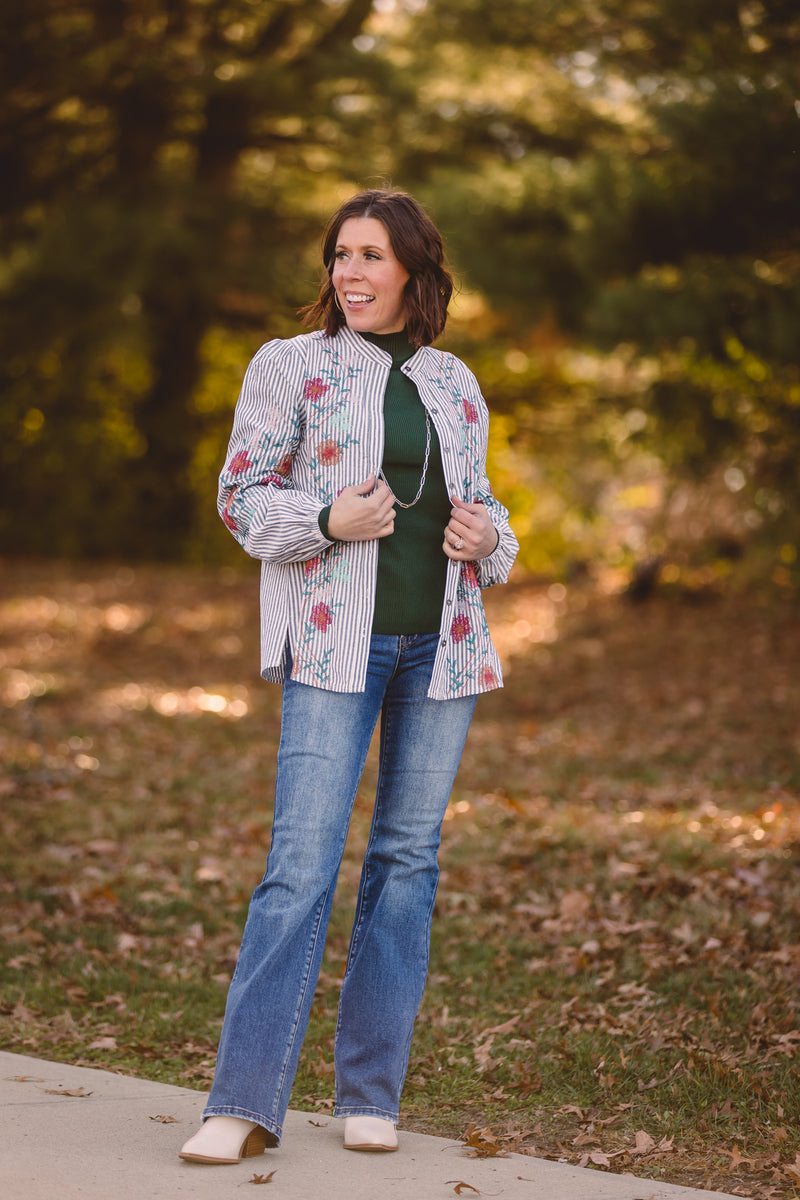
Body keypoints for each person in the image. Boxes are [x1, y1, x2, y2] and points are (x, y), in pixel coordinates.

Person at [179, 188, 518, 1165]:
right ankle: (239, 1104)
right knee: (299, 867)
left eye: (371, 255)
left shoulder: (454, 381)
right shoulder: (292, 366)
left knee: (406, 865)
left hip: (441, 651)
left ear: (413, 269)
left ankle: (369, 1094)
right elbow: (240, 494)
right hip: (334, 639)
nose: (350, 273)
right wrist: (327, 521)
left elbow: (486, 506)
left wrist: (489, 535)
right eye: (340, 255)